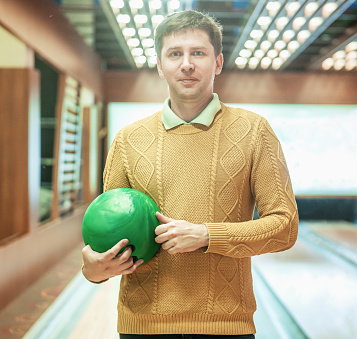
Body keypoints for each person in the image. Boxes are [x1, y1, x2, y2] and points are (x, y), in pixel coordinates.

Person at [81, 9, 299, 338]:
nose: (186, 63)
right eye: (175, 54)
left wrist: (207, 235)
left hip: (227, 326)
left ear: (218, 62)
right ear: (159, 64)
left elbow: (285, 225)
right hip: (142, 326)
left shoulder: (254, 132)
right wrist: (93, 269)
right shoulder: (128, 140)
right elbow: (108, 242)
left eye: (198, 52)